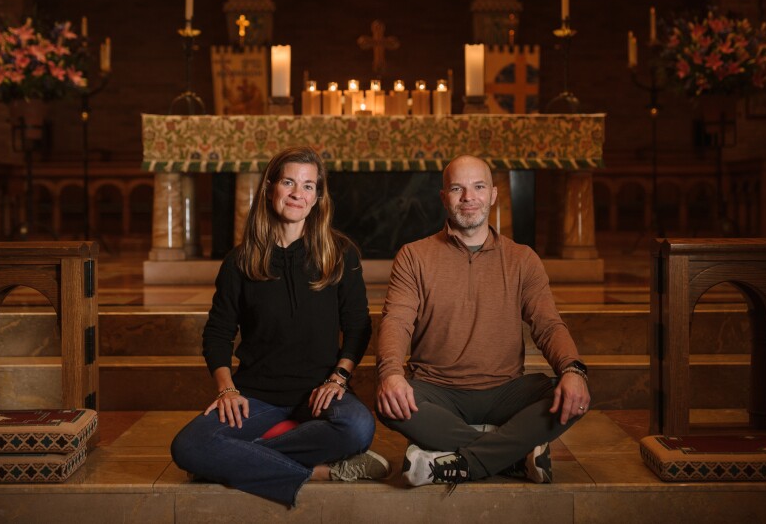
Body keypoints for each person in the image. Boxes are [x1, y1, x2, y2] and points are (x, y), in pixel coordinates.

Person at [171, 146, 389, 506]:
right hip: (256, 395)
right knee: (188, 446)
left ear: (318, 197)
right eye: (288, 182)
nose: (297, 194)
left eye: (308, 186)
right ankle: (318, 472)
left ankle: (239, 459)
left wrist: (338, 378)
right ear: (270, 187)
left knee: (358, 427)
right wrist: (227, 390)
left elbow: (358, 326)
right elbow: (217, 333)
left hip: (321, 391)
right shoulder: (240, 261)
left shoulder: (340, 254)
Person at [375, 154, 590, 487]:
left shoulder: (522, 258)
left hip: (505, 392)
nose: (468, 197)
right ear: (444, 197)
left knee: (572, 394)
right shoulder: (414, 255)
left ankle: (454, 457)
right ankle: (513, 454)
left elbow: (548, 325)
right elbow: (396, 321)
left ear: (493, 194)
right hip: (436, 390)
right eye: (457, 188)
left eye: (478, 187)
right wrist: (390, 374)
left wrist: (572, 370)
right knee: (390, 403)